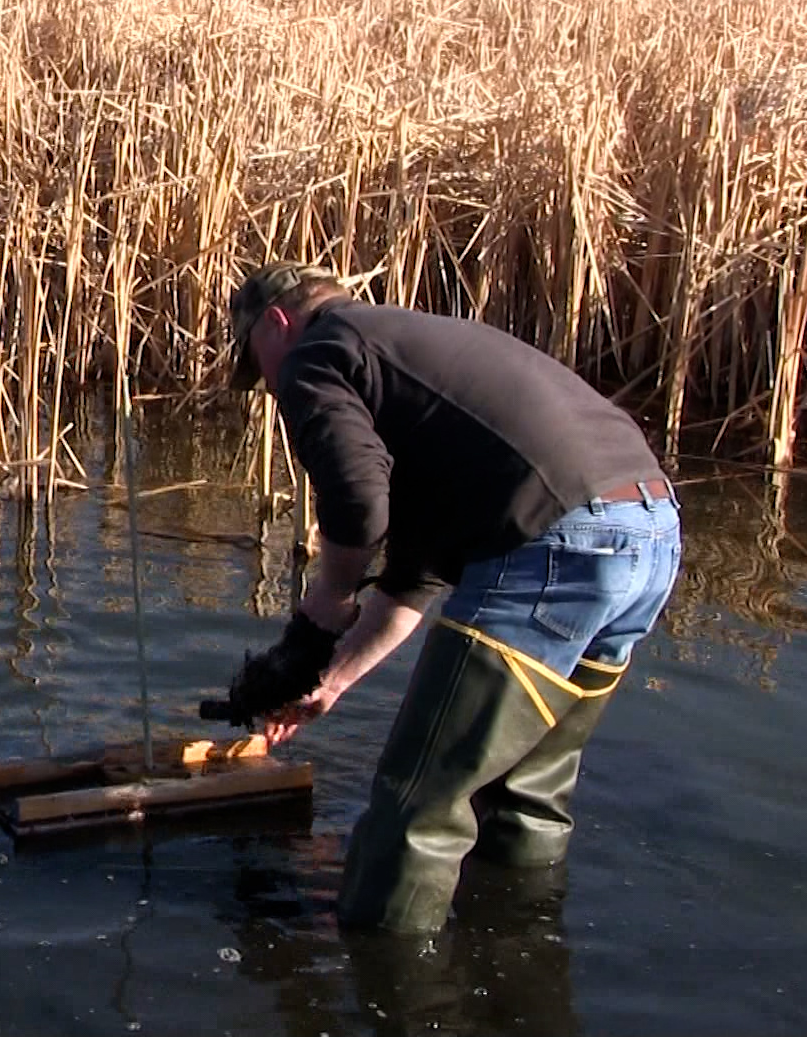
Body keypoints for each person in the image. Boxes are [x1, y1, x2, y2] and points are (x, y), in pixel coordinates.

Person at [212, 261, 683, 933]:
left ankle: (392, 982)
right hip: (652, 534)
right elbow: (416, 576)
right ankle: (516, 943)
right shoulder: (413, 362)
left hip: (556, 544)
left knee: (415, 803)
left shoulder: (318, 351)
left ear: (277, 323)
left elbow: (356, 502)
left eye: (257, 362)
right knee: (525, 791)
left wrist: (325, 608)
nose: (266, 384)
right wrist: (334, 680)